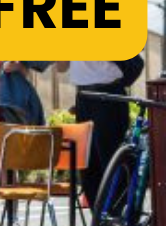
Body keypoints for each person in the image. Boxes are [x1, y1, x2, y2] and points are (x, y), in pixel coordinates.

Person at [55, 54, 144, 211]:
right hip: (83, 96)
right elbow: (61, 67)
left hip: (108, 93)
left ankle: (115, 219)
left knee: (110, 159)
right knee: (88, 164)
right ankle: (98, 222)